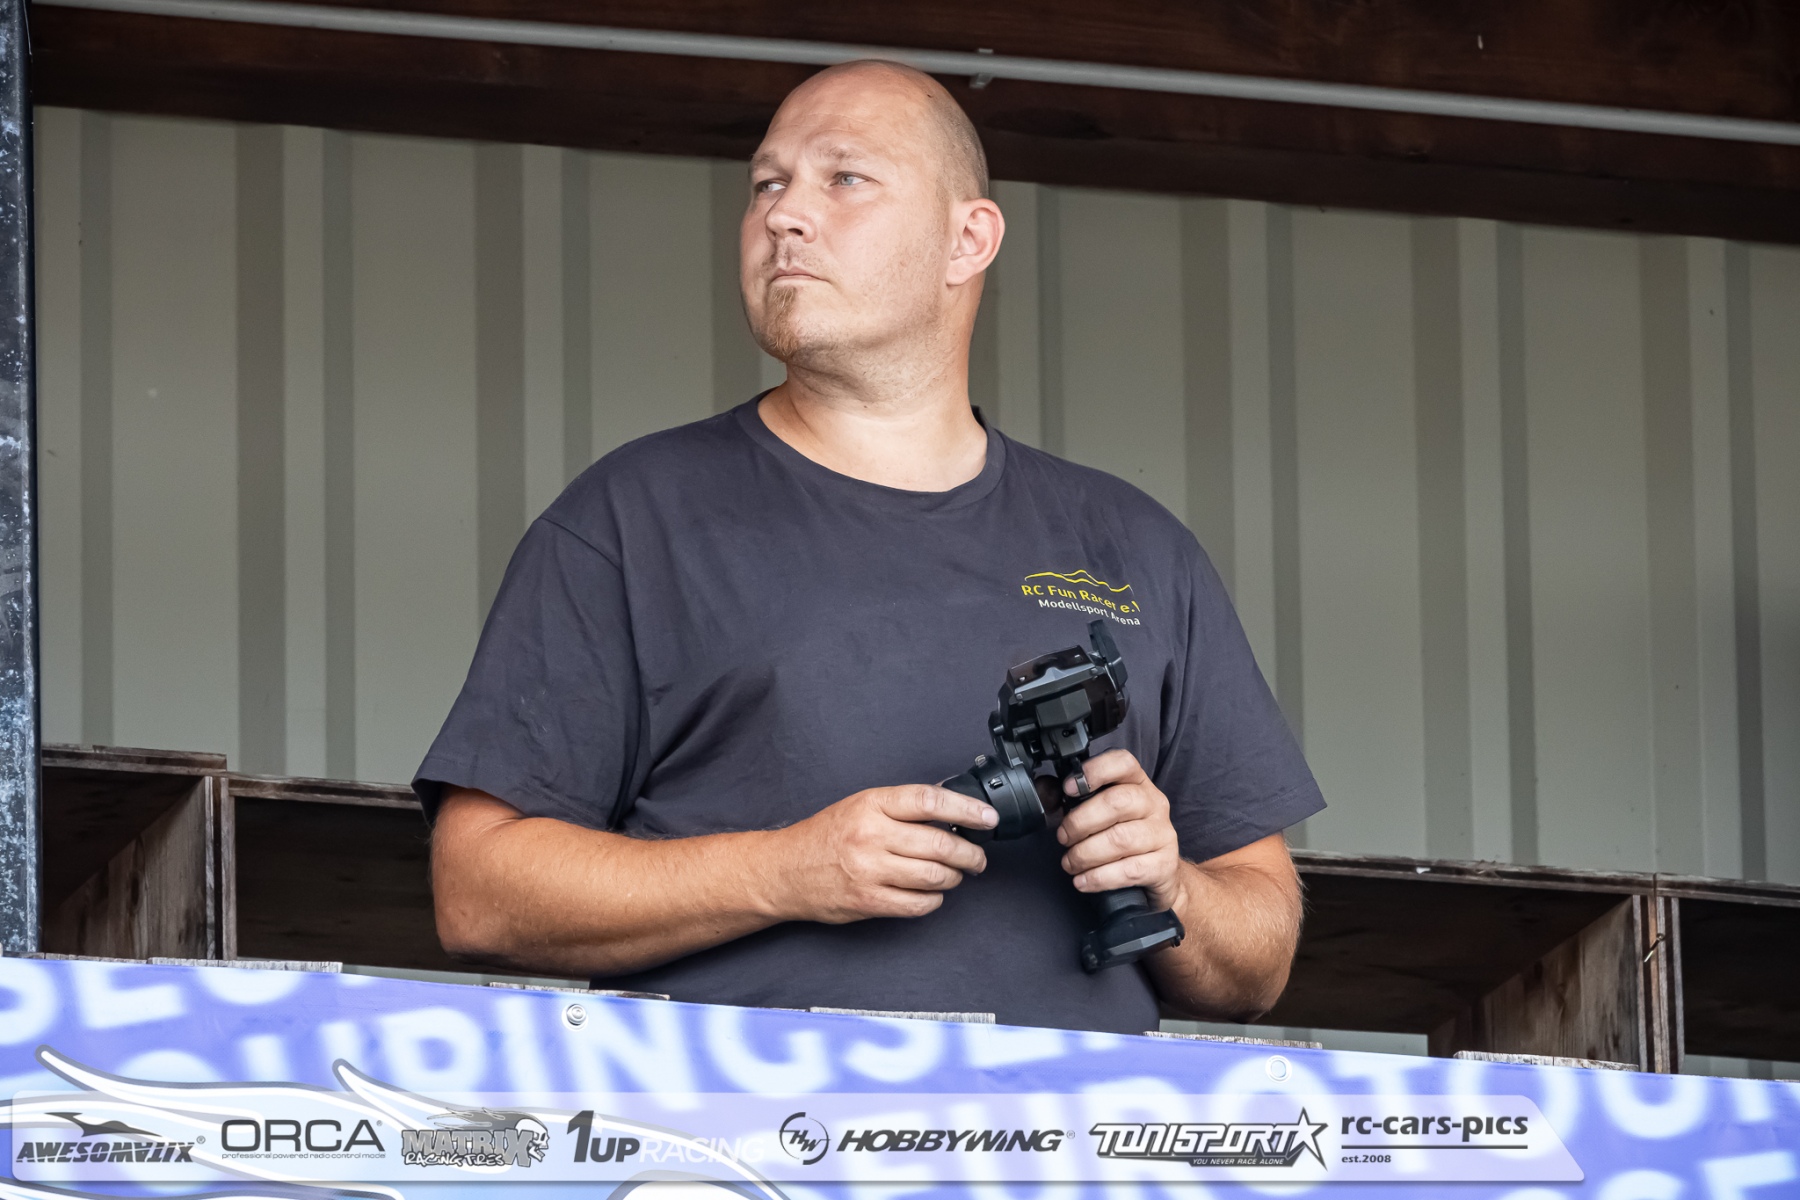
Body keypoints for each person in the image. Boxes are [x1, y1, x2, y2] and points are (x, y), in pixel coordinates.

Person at [417, 59, 1324, 1034]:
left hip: (1070, 1131)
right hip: (741, 1125)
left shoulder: (1134, 546)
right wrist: (783, 872)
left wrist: (1170, 882)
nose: (784, 215)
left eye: (844, 177)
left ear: (967, 240)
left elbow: (1261, 955)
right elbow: (478, 891)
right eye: (767, 184)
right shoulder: (634, 518)